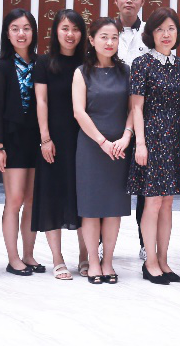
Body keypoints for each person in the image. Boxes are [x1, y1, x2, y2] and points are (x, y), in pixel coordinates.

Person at [72, 18, 134, 285]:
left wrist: (126, 136)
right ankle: (93, 263)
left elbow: (134, 108)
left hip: (119, 148)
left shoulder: (125, 71)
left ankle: (108, 261)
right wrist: (102, 142)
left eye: (114, 37)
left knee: (113, 208)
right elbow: (79, 112)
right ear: (92, 39)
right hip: (91, 147)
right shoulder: (81, 72)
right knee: (91, 208)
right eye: (104, 37)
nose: (110, 42)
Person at [129, 7, 180, 285]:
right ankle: (150, 262)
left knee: (167, 203)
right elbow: (136, 108)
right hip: (151, 138)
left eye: (171, 29)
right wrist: (140, 143)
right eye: (160, 29)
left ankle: (164, 260)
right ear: (151, 34)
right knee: (152, 202)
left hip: (175, 139)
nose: (166, 34)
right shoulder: (141, 64)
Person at [30, 9, 88, 279]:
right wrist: (45, 138)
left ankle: (86, 256)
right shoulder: (44, 63)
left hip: (83, 139)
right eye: (65, 28)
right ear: (55, 31)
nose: (70, 34)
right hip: (53, 139)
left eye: (75, 29)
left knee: (84, 198)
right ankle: (57, 259)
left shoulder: (87, 62)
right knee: (52, 197)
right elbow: (41, 101)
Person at [0, 9, 43, 276]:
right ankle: (13, 258)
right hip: (12, 140)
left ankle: (28, 255)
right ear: (7, 34)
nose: (21, 34)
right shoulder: (1, 67)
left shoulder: (41, 63)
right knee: (15, 199)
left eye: (26, 28)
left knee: (32, 200)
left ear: (33, 32)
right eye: (15, 29)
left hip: (38, 140)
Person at [113, 0, 150, 261]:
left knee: (145, 186)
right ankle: (102, 243)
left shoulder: (151, 32)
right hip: (110, 114)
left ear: (142, 1)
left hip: (144, 117)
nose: (129, 1)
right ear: (116, 0)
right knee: (108, 180)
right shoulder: (105, 31)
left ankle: (145, 242)